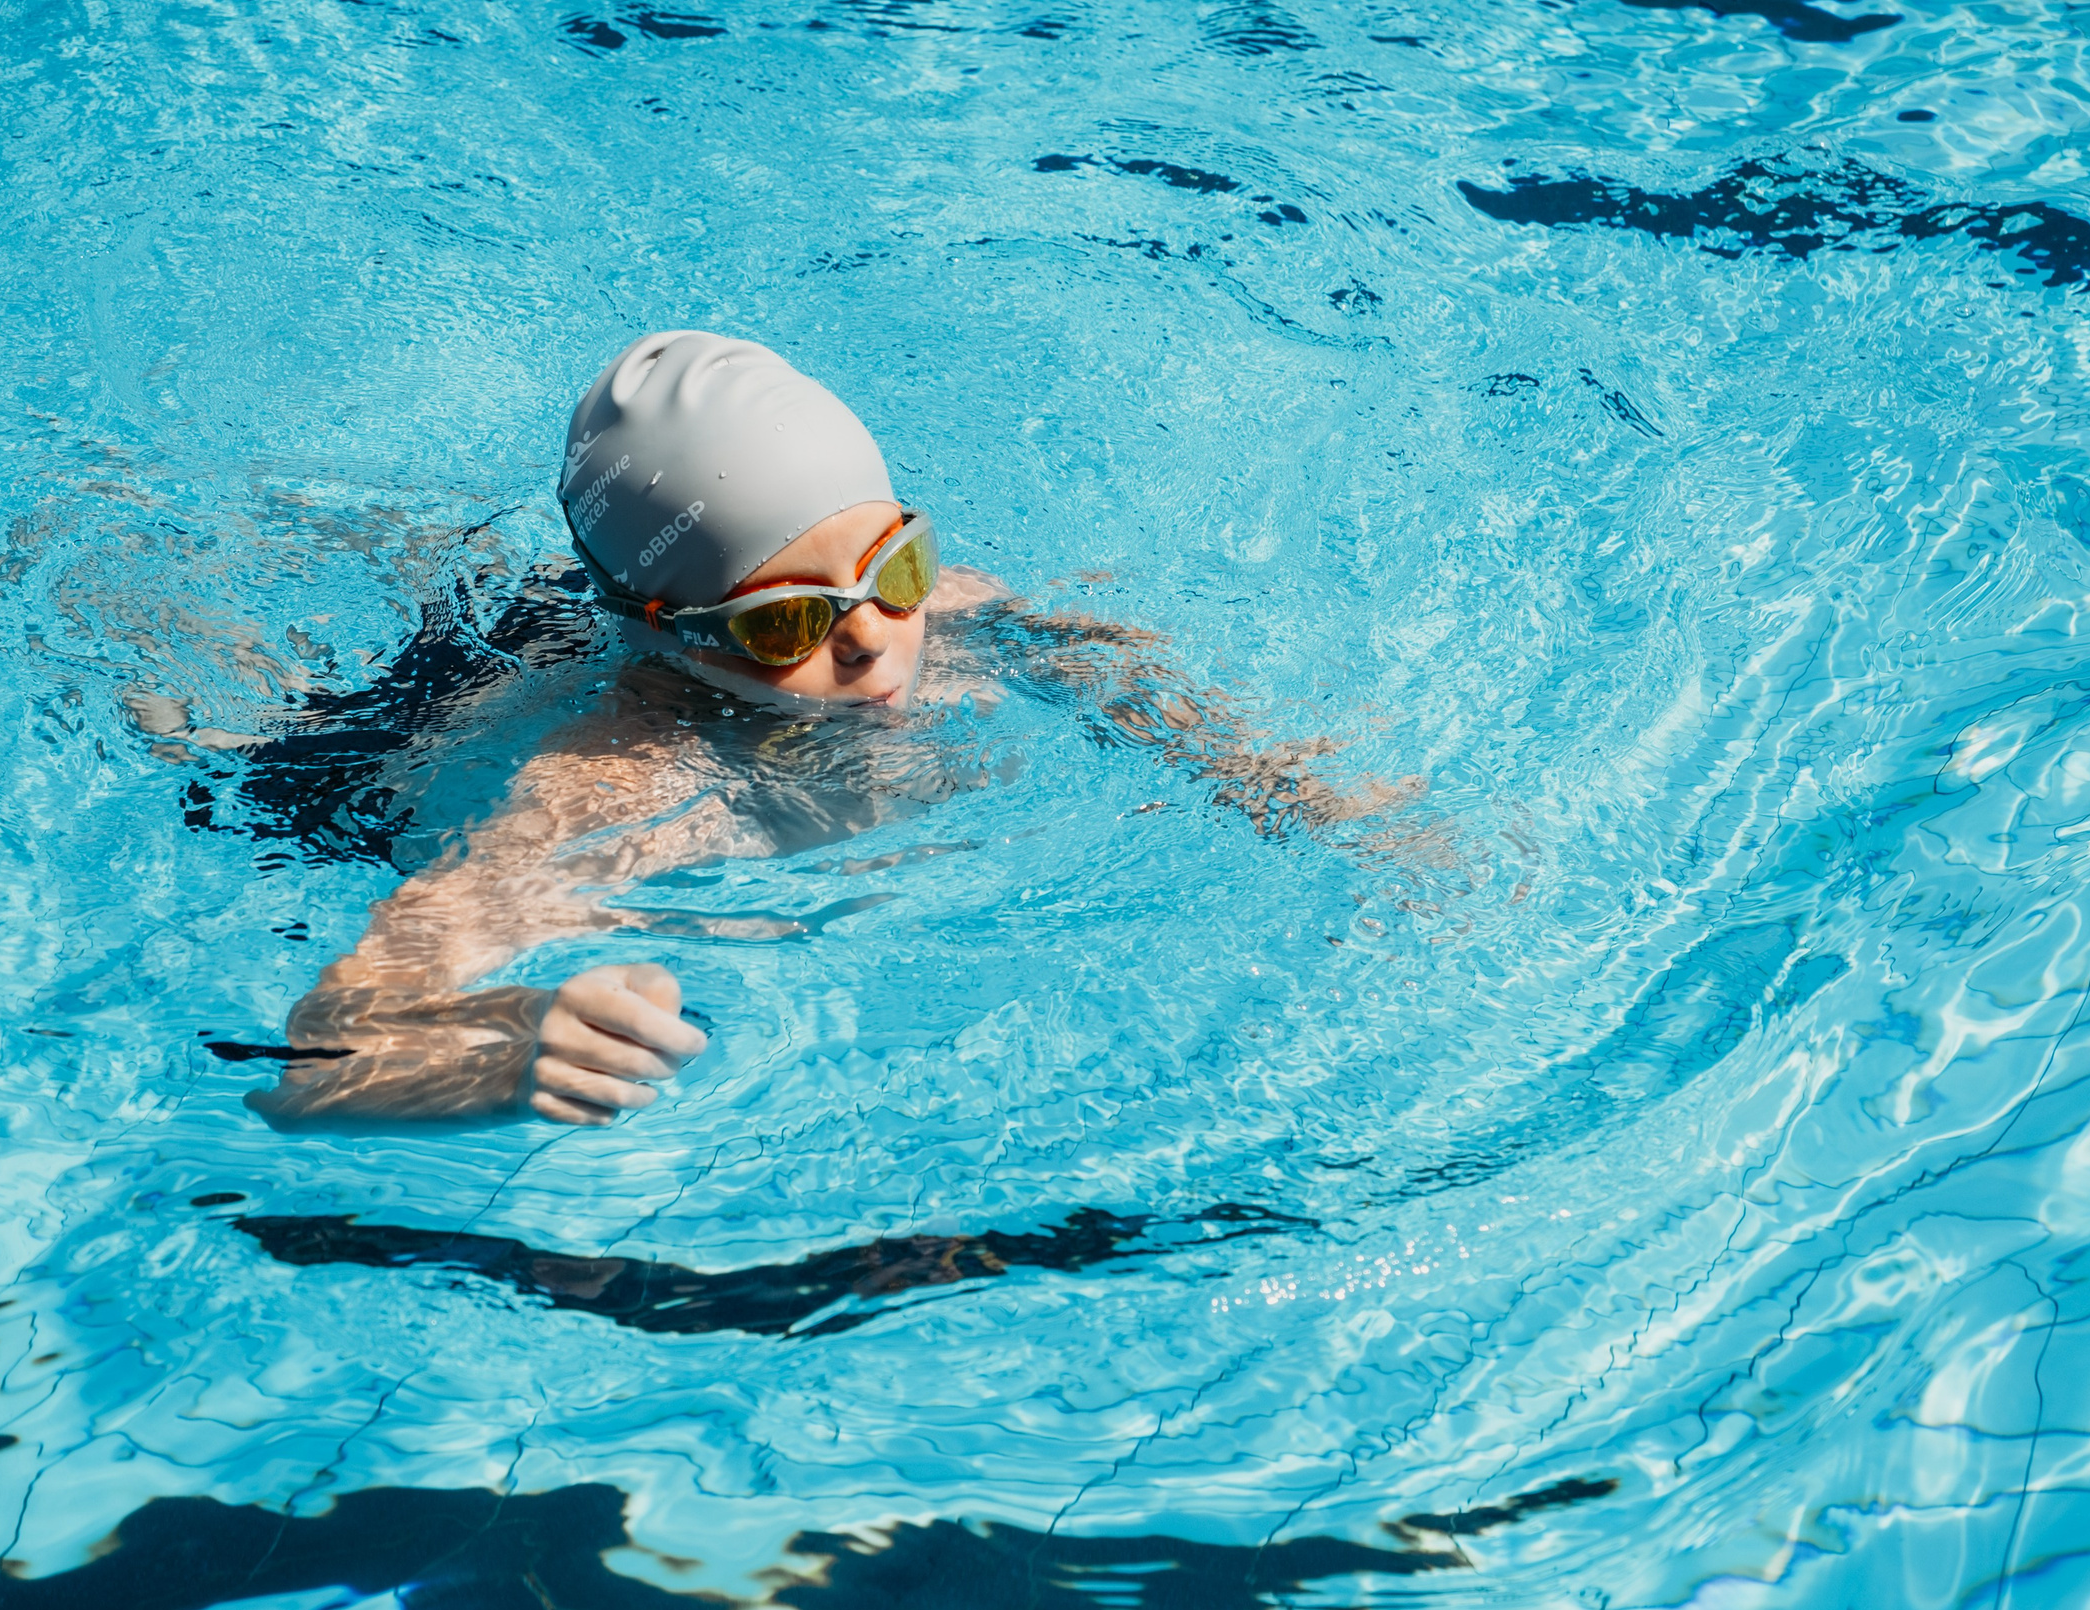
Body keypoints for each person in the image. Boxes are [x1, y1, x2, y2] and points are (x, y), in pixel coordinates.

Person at [248, 330, 1429, 1131]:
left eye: (892, 563)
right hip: (327, 785)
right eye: (792, 619)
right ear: (669, 632)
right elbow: (319, 1056)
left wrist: (1317, 798)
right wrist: (507, 1050)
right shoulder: (619, 782)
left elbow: (1134, 680)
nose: (875, 637)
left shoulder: (955, 609)